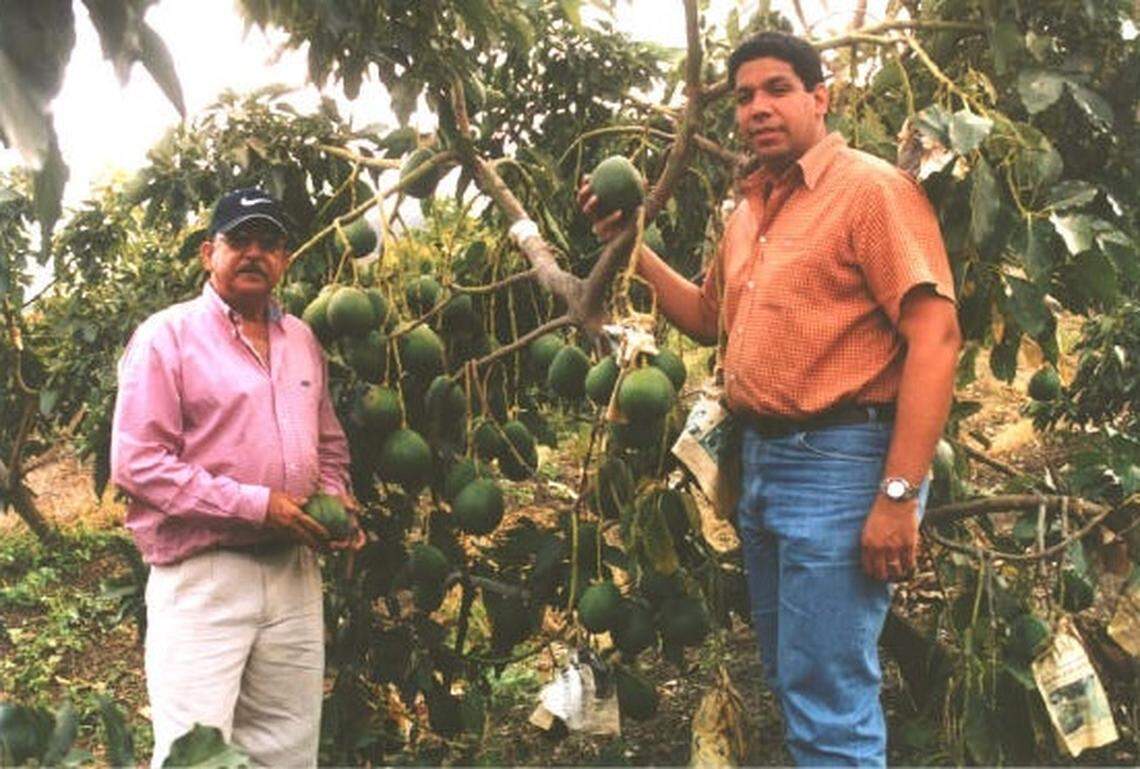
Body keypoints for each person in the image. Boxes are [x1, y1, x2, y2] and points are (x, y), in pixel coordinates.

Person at [582, 31, 961, 767]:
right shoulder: (749, 211)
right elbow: (705, 317)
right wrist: (632, 242)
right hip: (764, 468)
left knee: (829, 700)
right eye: (745, 96)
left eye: (778, 89)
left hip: (843, 466)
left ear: (821, 98)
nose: (758, 107)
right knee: (795, 680)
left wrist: (897, 493)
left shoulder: (872, 190)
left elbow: (937, 336)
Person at [110, 188, 364, 768]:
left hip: (294, 572)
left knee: (285, 750)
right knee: (195, 753)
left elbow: (328, 446)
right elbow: (138, 463)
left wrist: (337, 503)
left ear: (285, 260)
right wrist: (256, 505)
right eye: (239, 240)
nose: (255, 253)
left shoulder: (302, 339)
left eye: (269, 243)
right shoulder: (166, 337)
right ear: (208, 253)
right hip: (204, 575)